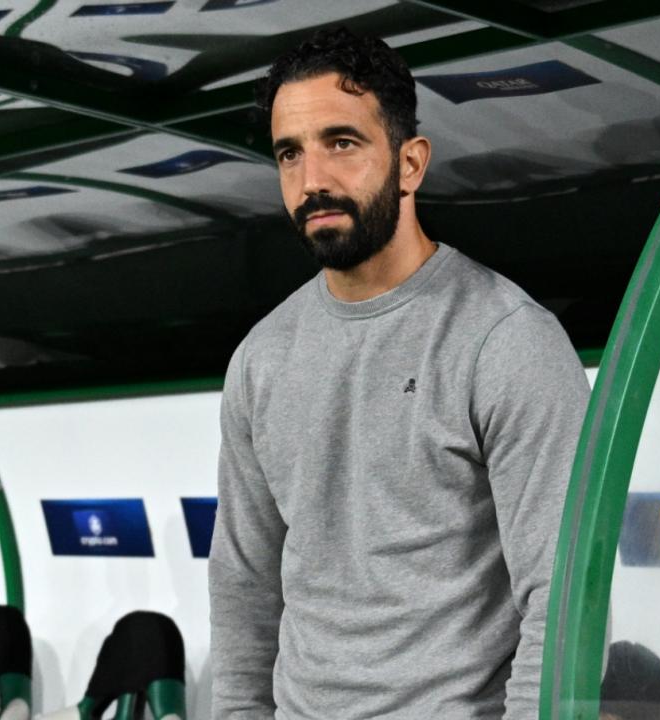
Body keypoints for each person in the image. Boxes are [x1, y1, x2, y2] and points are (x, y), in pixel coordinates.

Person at [208, 26, 590, 720]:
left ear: (410, 163)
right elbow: (243, 587)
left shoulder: (505, 340)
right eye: (288, 154)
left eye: (342, 143)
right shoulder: (261, 358)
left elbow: (560, 597)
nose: (312, 180)